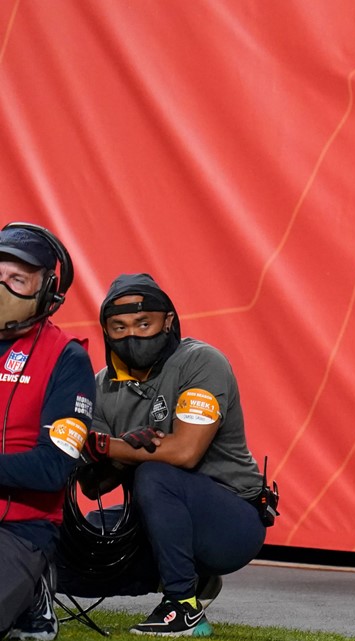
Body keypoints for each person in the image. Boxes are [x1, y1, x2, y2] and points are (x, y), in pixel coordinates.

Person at [59, 273, 268, 637]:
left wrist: (107, 445)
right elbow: (94, 487)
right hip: (152, 516)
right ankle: (195, 581)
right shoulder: (100, 385)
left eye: (144, 323)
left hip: (232, 522)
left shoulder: (201, 362)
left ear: (168, 321)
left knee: (155, 475)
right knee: (71, 551)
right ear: (106, 330)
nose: (132, 335)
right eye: (119, 326)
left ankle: (182, 605)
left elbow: (185, 453)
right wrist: (122, 453)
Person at [0, 223, 96, 641]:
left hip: (19, 528)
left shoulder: (67, 359)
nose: (2, 288)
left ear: (48, 292)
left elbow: (54, 467)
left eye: (17, 280)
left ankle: (34, 589)